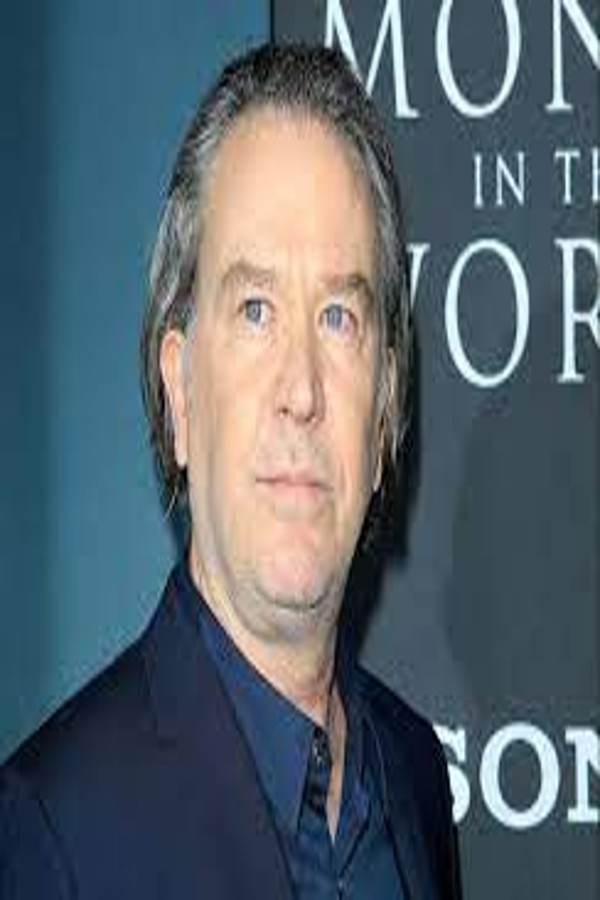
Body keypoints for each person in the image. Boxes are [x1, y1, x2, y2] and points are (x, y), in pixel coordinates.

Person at [0, 44, 460, 899]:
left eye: (338, 317)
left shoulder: (416, 776)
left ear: (386, 406)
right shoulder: (51, 835)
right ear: (180, 392)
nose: (302, 390)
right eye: (255, 310)